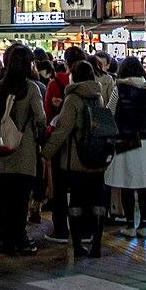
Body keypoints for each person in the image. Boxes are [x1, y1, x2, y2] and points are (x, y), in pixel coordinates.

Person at [44, 53, 114, 259]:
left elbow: (63, 129)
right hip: (98, 160)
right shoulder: (98, 96)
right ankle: (97, 244)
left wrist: (46, 152)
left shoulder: (73, 99)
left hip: (76, 161)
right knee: (97, 202)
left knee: (76, 202)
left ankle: (77, 244)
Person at [0, 46, 47, 256]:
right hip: (24, 153)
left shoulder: (1, 86)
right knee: (20, 200)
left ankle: (2, 239)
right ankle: (19, 239)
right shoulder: (31, 88)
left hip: (2, 153)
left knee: (3, 201)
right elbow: (40, 118)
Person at [105, 57, 146, 233]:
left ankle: (129, 224)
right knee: (144, 183)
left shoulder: (118, 89)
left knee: (125, 182)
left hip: (124, 138)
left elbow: (109, 111)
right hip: (144, 140)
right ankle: (143, 224)